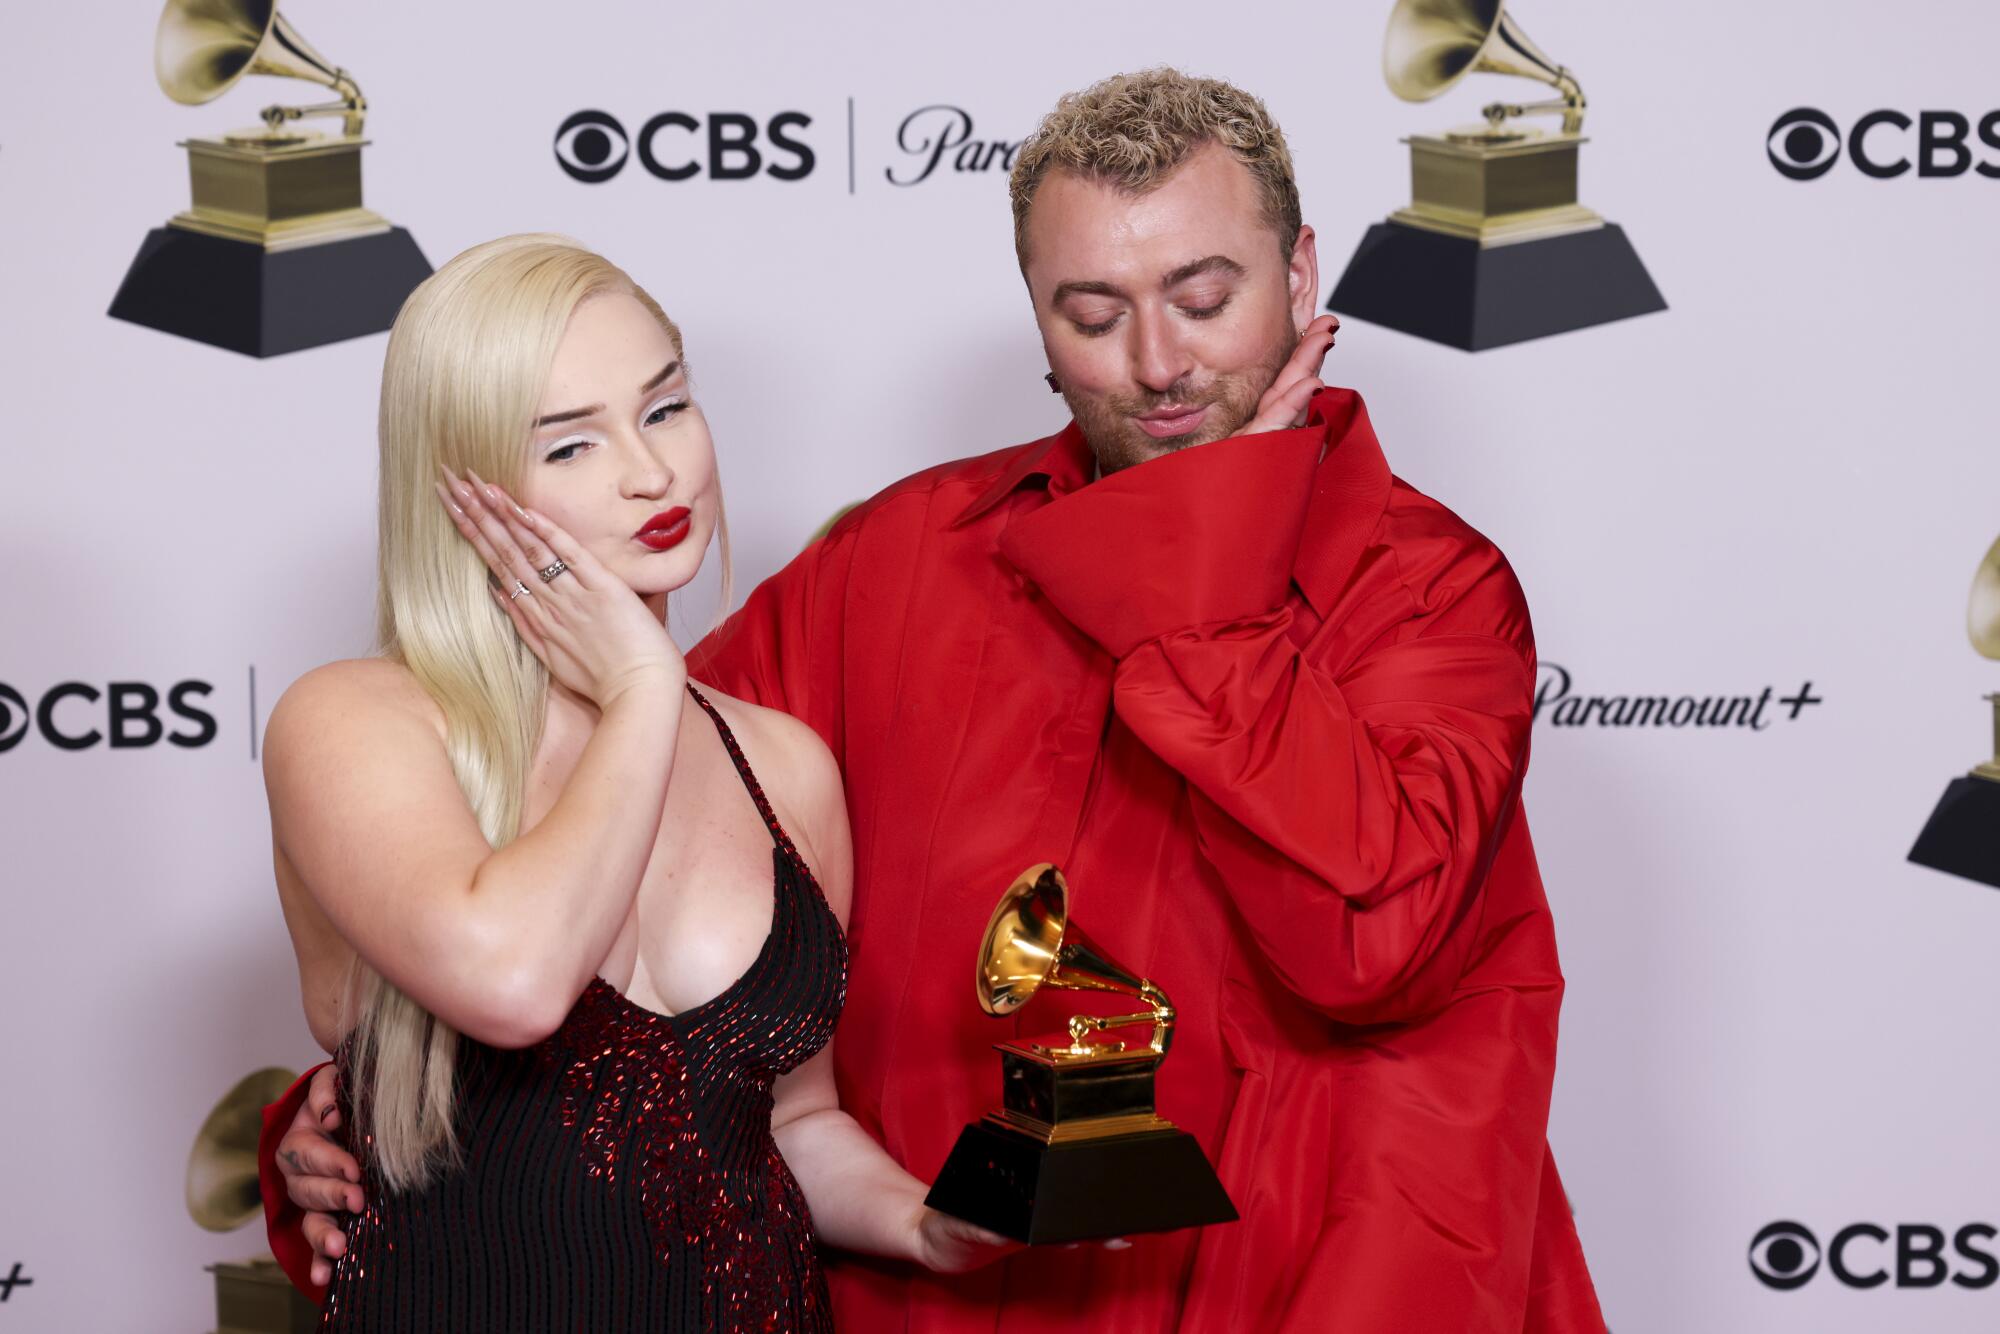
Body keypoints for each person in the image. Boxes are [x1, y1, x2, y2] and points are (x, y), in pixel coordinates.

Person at [271, 71, 1607, 1332]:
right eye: (1092, 316)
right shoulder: (910, 553)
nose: (1159, 363)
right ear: (1036, 320)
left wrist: (1211, 556)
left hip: (1307, 1282)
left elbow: (1364, 950)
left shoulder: (1433, 594)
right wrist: (386, 1103)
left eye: (1204, 298)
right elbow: (601, 801)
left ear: (1301, 271)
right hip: (963, 1293)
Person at [258, 235, 1012, 1332]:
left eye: (665, 407)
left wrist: (917, 1220)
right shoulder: (357, 720)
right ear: (459, 487)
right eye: (568, 446)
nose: (652, 472)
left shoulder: (784, 764)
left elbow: (791, 1120)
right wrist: (645, 689)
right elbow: (513, 983)